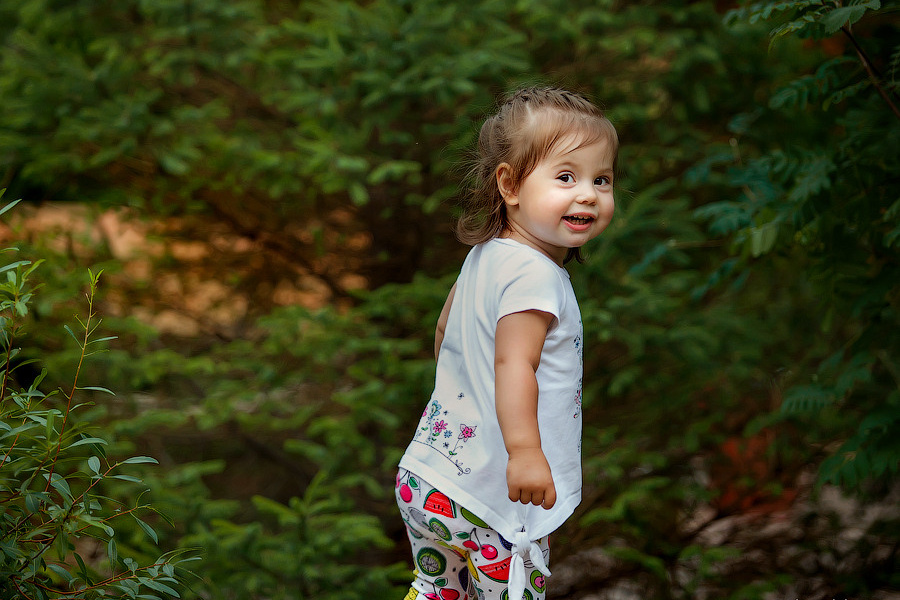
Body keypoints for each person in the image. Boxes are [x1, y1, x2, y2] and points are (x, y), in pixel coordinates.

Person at [396, 86, 618, 600]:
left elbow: (444, 333)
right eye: (566, 176)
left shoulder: (486, 255)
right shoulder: (536, 276)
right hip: (493, 498)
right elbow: (514, 364)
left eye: (600, 179)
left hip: (431, 478)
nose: (587, 193)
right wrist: (525, 454)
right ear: (510, 184)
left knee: (437, 589)